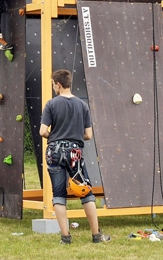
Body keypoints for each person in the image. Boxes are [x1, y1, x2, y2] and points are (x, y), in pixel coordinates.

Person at [39, 69, 111, 245]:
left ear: (58, 84)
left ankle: (65, 237)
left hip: (54, 151)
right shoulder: (82, 105)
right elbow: (88, 135)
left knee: (58, 194)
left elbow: (42, 131)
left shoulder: (51, 105)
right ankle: (96, 235)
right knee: (85, 192)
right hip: (74, 153)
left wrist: (55, 136)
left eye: (53, 84)